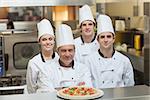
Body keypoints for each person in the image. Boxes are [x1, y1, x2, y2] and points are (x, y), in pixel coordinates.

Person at [36, 24, 93, 92]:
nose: (67, 54)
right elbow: (46, 92)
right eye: (63, 51)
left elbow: (87, 90)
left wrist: (58, 89)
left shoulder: (83, 69)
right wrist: (76, 88)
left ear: (75, 51)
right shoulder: (47, 70)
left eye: (70, 50)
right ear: (58, 51)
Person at [85, 14, 135, 89]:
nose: (105, 40)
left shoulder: (124, 60)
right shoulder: (89, 60)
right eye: (102, 37)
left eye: (108, 36)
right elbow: (87, 85)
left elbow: (130, 85)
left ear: (113, 39)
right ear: (98, 40)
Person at [26, 19, 59, 93]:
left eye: (50, 39)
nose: (48, 42)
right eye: (44, 39)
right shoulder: (34, 63)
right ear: (39, 42)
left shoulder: (60, 59)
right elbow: (31, 88)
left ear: (54, 41)